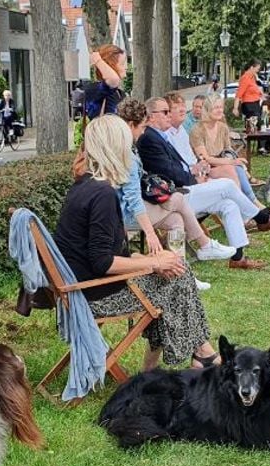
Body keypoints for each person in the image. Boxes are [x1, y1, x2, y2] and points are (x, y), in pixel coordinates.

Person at [56, 116, 221, 370]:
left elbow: (109, 254)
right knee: (177, 278)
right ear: (115, 148)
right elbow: (103, 262)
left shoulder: (87, 185)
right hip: (95, 296)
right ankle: (201, 354)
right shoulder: (102, 194)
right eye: (126, 144)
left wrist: (156, 260)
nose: (131, 150)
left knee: (174, 269)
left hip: (84, 288)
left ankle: (184, 358)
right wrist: (154, 263)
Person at [138, 97, 270, 270]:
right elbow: (170, 174)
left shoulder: (161, 136)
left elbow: (177, 168)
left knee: (229, 204)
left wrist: (196, 171)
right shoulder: (149, 139)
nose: (169, 115)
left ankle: (238, 258)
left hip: (185, 188)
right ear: (151, 116)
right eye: (165, 112)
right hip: (176, 196)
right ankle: (262, 217)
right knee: (226, 184)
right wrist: (195, 178)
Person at [110, 100, 237, 290]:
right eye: (142, 127)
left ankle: (182, 274)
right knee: (178, 199)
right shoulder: (126, 153)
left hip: (128, 209)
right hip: (124, 215)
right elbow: (132, 199)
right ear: (130, 125)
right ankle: (204, 245)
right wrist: (151, 234)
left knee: (176, 219)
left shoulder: (125, 147)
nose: (144, 132)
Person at [190, 94, 266, 205]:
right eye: (216, 107)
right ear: (207, 110)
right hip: (205, 168)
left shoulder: (222, 127)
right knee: (232, 168)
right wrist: (232, 162)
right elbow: (205, 158)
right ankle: (252, 205)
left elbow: (228, 150)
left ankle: (253, 203)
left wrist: (234, 161)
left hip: (223, 163)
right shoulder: (197, 130)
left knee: (236, 167)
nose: (219, 110)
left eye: (221, 107)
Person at [84, 44, 126, 119]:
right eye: (122, 64)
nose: (126, 67)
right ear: (111, 65)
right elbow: (113, 79)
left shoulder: (119, 93)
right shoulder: (96, 90)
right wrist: (98, 60)